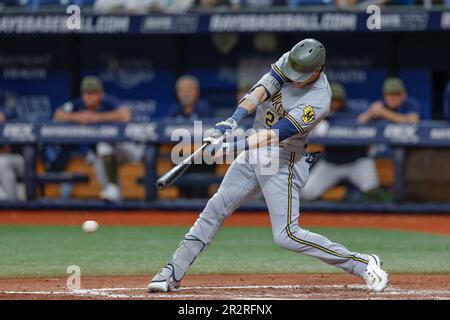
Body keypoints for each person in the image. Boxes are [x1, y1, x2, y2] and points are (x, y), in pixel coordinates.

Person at [148, 39, 389, 293]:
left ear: (318, 70)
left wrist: (232, 146)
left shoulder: (318, 100)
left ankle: (362, 263)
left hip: (283, 160)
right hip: (254, 151)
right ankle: (173, 271)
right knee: (215, 207)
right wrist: (233, 120)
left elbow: (275, 135)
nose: (294, 78)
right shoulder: (292, 60)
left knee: (287, 235)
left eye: (302, 75)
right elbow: (261, 91)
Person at [53, 76, 140, 202]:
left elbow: (125, 115)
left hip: (125, 149)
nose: (89, 97)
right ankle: (116, 203)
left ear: (101, 94)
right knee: (110, 192)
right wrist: (77, 117)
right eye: (87, 94)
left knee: (103, 145)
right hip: (100, 155)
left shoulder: (108, 102)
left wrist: (96, 117)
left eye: (93, 93)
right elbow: (58, 114)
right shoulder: (78, 104)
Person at [301, 83, 379, 201]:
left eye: (338, 100)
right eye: (332, 100)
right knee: (307, 193)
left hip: (357, 161)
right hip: (331, 163)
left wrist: (367, 118)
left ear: (343, 100)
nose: (334, 103)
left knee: (372, 191)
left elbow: (374, 120)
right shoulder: (320, 112)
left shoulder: (357, 111)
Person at [168, 75, 214, 198]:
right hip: (181, 156)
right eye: (182, 90)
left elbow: (208, 137)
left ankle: (201, 196)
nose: (186, 93)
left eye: (189, 89)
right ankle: (183, 197)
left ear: (197, 92)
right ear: (177, 93)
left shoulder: (204, 108)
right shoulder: (175, 111)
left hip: (202, 157)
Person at [0, 109, 25, 201]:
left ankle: (12, 204)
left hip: (17, 159)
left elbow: (7, 149)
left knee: (2, 163)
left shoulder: (9, 110)